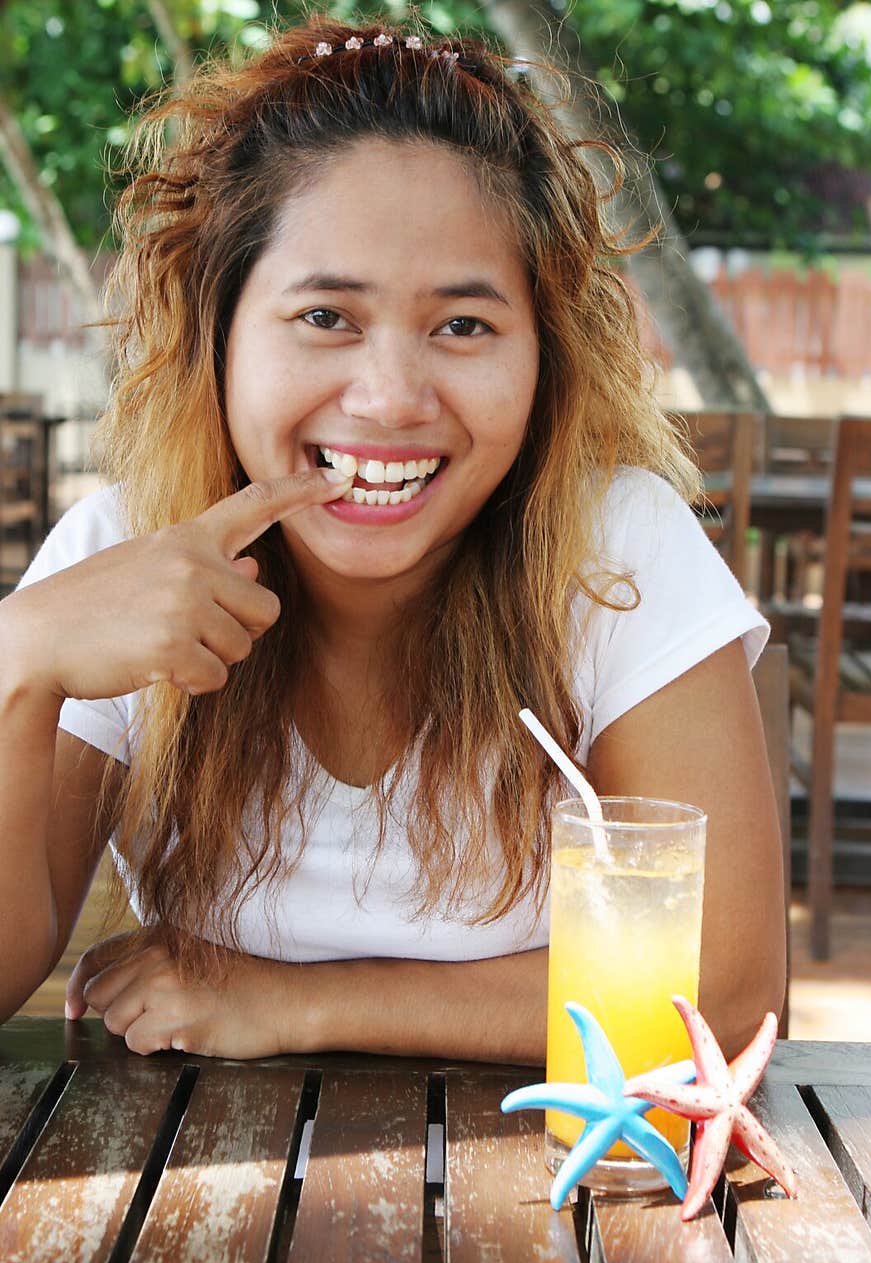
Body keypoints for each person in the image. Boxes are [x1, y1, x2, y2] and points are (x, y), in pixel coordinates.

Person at [0, 16, 785, 1065]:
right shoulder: (121, 554)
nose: (388, 399)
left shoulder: (615, 550)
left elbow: (723, 992)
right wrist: (18, 662)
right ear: (217, 332)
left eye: (462, 326)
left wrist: (289, 1003)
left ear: (543, 353)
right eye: (326, 316)